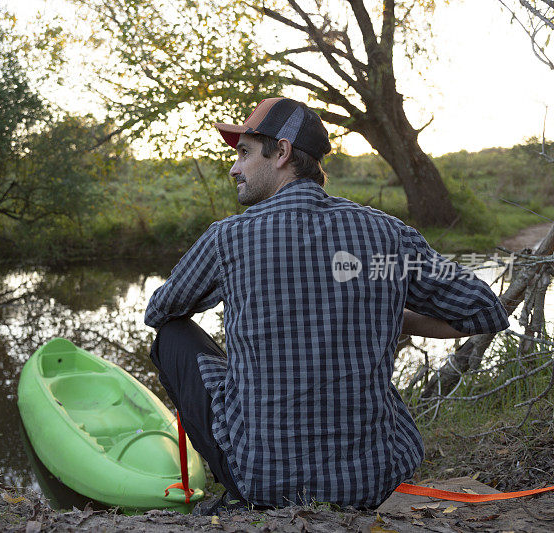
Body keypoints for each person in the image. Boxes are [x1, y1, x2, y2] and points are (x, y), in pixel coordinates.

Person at [144, 97, 510, 513]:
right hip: (371, 480)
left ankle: (238, 481)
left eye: (244, 153)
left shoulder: (228, 237)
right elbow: (483, 310)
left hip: (262, 480)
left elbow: (159, 311)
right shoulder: (386, 234)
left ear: (281, 153)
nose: (234, 168)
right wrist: (388, 313)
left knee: (172, 334)